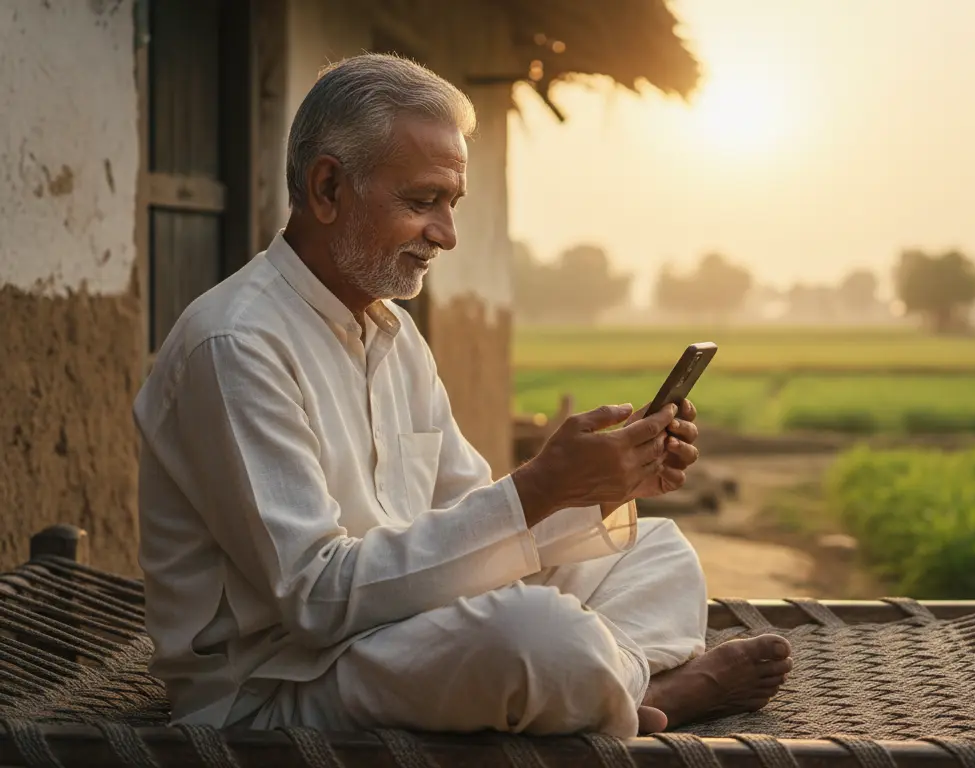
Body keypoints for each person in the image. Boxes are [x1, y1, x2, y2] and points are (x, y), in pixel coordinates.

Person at [132, 53, 792, 739]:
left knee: (654, 548)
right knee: (536, 638)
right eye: (422, 202)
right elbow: (317, 599)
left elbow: (467, 524)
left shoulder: (395, 337)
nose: (445, 235)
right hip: (278, 684)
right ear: (328, 188)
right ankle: (654, 691)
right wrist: (537, 488)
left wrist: (598, 487)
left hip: (403, 632)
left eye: (451, 205)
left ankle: (614, 684)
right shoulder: (236, 345)